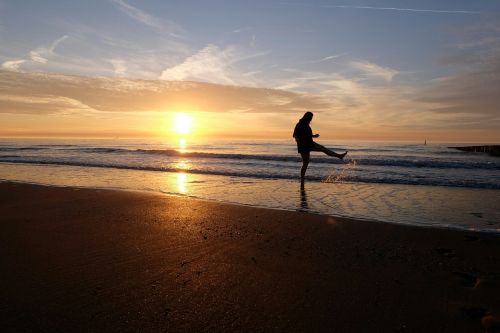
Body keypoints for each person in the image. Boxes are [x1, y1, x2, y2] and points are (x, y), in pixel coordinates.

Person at [293, 111, 347, 182]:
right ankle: (302, 178)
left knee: (322, 149)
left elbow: (306, 135)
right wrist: (297, 139)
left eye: (311, 117)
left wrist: (314, 136)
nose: (311, 119)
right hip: (304, 145)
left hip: (309, 143)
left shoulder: (306, 124)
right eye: (310, 117)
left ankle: (339, 156)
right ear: (307, 117)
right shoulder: (300, 124)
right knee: (306, 162)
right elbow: (295, 134)